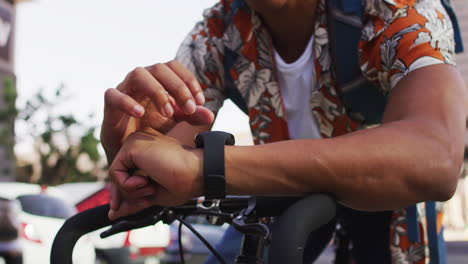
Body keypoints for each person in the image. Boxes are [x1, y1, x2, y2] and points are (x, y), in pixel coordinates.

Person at [100, 0, 468, 262]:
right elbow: (164, 158)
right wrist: (137, 148)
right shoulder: (220, 30)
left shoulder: (392, 8)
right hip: (280, 201)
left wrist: (207, 168)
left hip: (387, 201)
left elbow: (435, 156)